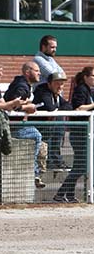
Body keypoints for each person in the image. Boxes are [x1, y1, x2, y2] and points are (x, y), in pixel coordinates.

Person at [0, 60, 44, 188]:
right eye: (37, 71)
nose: (40, 73)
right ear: (27, 72)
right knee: (36, 135)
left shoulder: (24, 84)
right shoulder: (22, 86)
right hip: (12, 126)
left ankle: (36, 170)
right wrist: (27, 107)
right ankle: (35, 172)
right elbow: (13, 105)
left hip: (16, 124)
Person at [54, 67, 94, 203]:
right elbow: (78, 108)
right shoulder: (81, 90)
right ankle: (60, 193)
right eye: (93, 76)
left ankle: (69, 195)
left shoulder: (89, 90)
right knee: (81, 166)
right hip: (79, 134)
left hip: (85, 133)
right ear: (85, 77)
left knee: (80, 165)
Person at [32, 71, 72, 171]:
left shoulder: (56, 95)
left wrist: (58, 108)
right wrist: (58, 108)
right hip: (40, 127)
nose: (60, 86)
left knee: (59, 123)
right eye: (57, 83)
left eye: (62, 84)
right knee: (56, 123)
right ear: (49, 84)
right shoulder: (43, 92)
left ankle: (55, 161)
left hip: (51, 127)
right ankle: (50, 162)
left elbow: (68, 105)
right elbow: (50, 108)